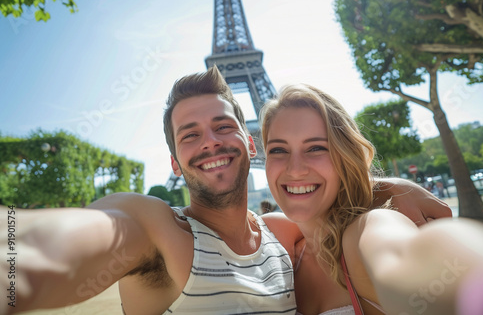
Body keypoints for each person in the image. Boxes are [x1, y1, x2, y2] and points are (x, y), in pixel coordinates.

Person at [1, 66, 450, 315]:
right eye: (190, 135)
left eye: (222, 126)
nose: (210, 141)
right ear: (175, 163)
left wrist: (389, 186)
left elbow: (321, 189)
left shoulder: (285, 234)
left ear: (249, 143)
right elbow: (39, 247)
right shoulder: (161, 235)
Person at [259, 83, 483, 315]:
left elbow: (412, 257)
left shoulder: (366, 230)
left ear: (345, 156)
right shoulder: (278, 239)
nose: (295, 169)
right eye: (278, 150)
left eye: (316, 148)